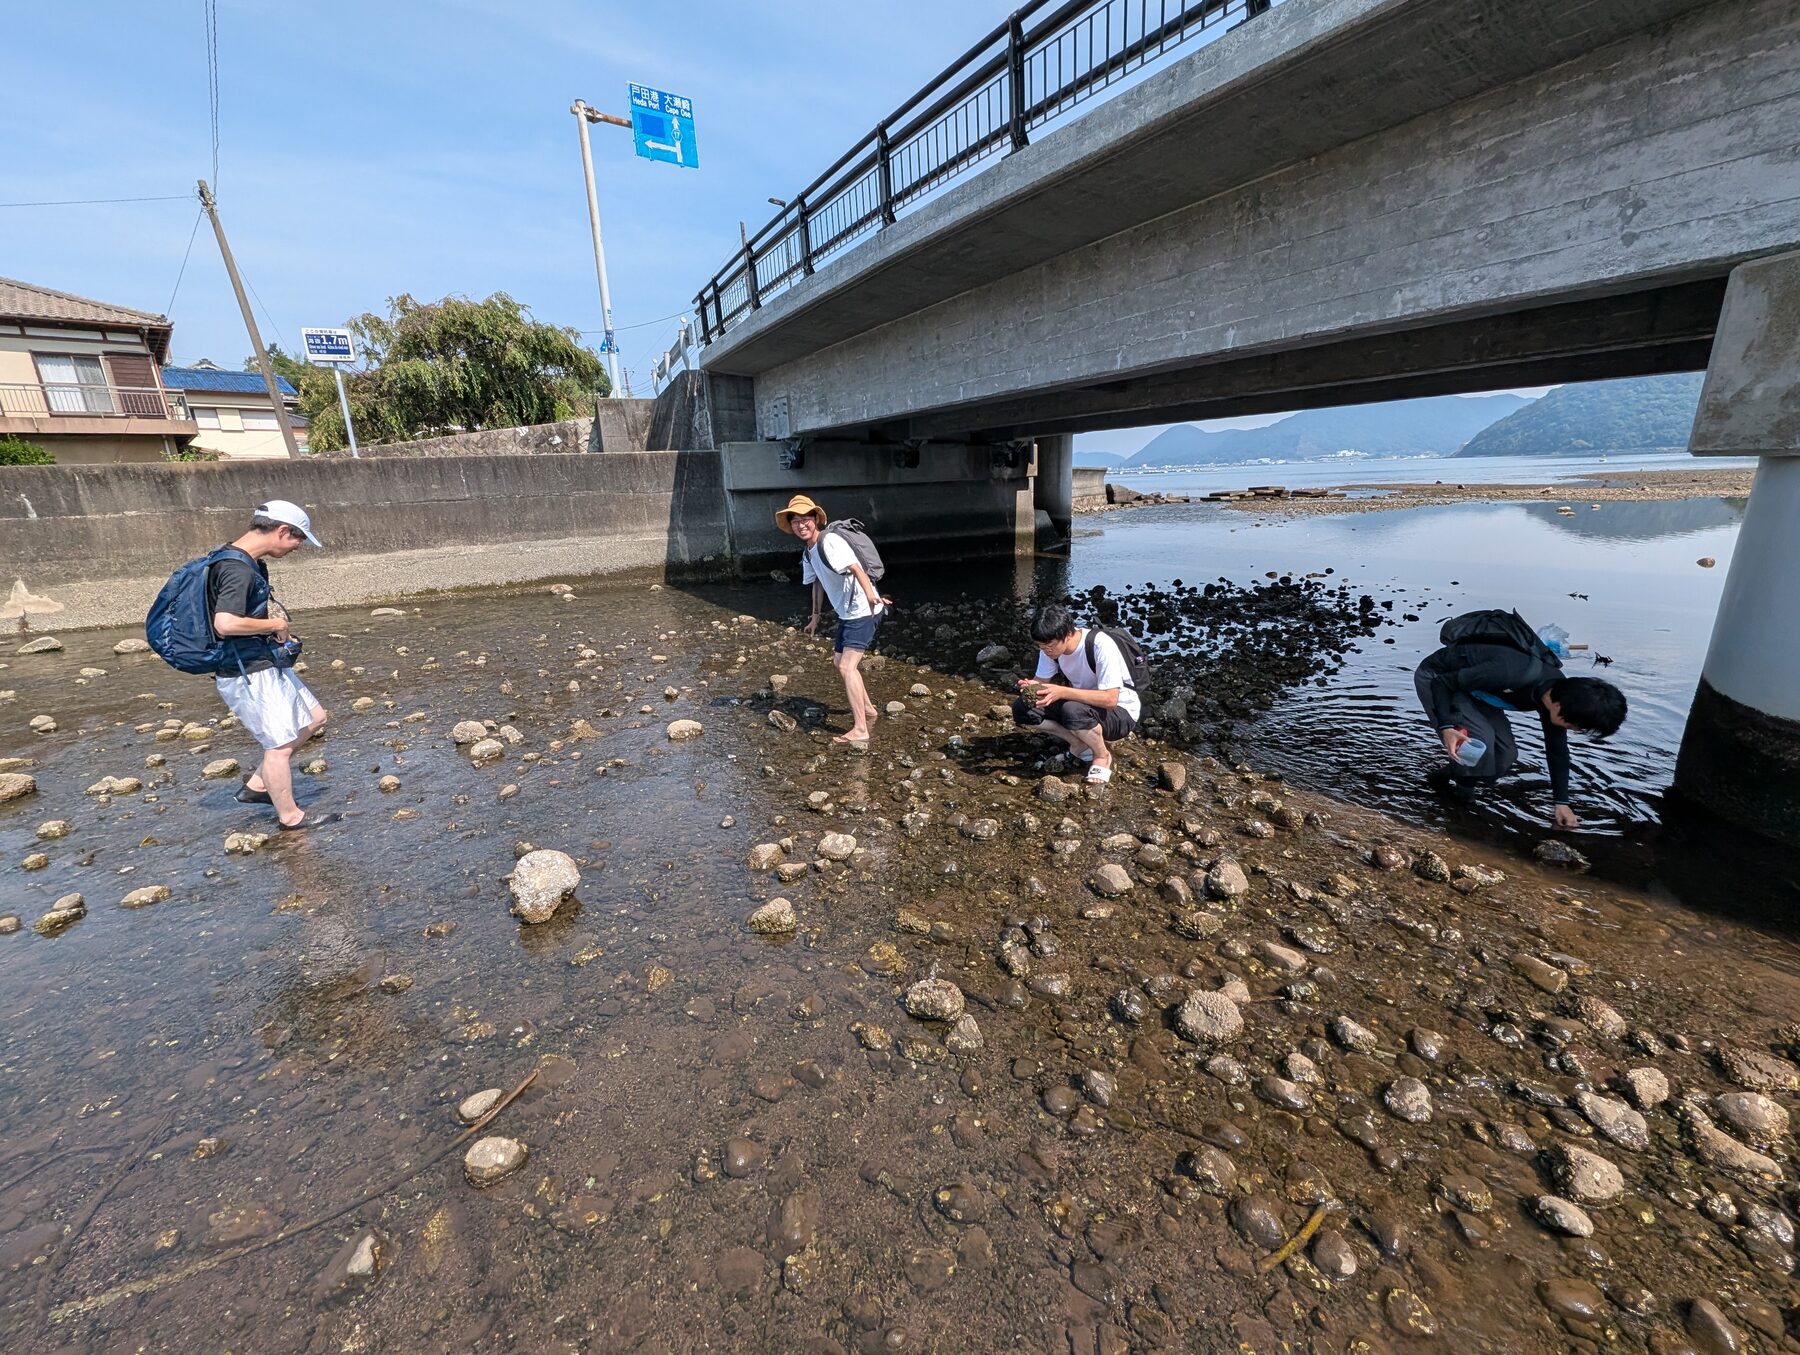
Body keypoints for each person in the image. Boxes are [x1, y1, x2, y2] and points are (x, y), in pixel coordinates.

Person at [1414, 613, 1626, 828]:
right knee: (1481, 744)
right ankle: (1461, 808)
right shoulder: (1511, 673)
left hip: (1479, 690)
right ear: (1560, 708)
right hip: (1439, 678)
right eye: (1577, 726)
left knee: (1506, 755)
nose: (1576, 731)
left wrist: (1561, 802)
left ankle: (1445, 777)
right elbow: (1442, 683)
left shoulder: (1558, 693)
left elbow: (1557, 751)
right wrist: (1447, 726)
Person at [210, 500, 330, 829]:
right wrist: (275, 625)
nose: (298, 547)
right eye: (298, 539)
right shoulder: (236, 568)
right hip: (245, 670)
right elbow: (225, 623)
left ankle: (258, 787)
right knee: (278, 747)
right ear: (281, 531)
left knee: (315, 717)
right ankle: (290, 818)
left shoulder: (245, 561)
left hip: (261, 660)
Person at [776, 493, 891, 745]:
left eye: (806, 519)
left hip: (863, 610)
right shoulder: (809, 552)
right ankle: (869, 709)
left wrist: (872, 597)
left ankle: (860, 729)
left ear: (816, 519)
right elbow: (816, 582)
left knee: (847, 667)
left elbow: (856, 568)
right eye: (795, 521)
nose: (801, 525)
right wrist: (815, 617)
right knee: (839, 662)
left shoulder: (829, 542)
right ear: (791, 525)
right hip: (847, 613)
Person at [1014, 604, 1141, 785]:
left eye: (1049, 646)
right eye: (1040, 646)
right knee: (1023, 708)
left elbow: (1110, 699)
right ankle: (1077, 742)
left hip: (1120, 713)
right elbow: (1041, 680)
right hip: (1083, 705)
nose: (1045, 650)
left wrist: (1062, 691)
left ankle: (1101, 756)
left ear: (1067, 635)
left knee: (1072, 710)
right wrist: (1031, 687)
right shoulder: (1049, 650)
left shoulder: (1099, 645)